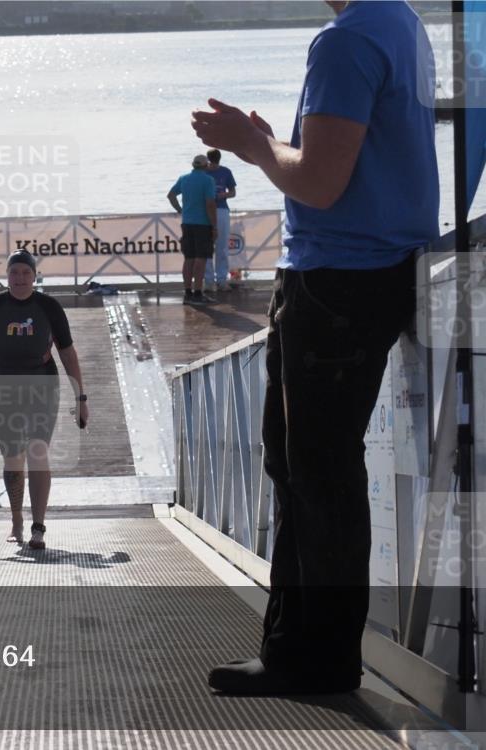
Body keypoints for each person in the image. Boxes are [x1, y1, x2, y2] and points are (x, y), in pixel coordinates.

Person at [191, 0, 438, 695]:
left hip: (338, 279)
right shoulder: (401, 22)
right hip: (373, 270)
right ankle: (300, 647)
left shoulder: (347, 40)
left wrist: (253, 146)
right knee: (305, 466)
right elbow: (349, 164)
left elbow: (321, 186)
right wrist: (275, 146)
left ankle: (316, 657)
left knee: (318, 474)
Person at [0, 250, 88, 550]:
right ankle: (16, 519)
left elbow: (68, 354)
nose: (19, 279)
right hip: (0, 387)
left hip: (41, 384)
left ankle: (38, 526)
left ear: (34, 276)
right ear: (7, 275)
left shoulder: (49, 307)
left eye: (25, 273)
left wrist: (81, 397)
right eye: (14, 273)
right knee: (13, 457)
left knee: (38, 451)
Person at [167, 154, 218, 304]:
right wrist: (214, 226)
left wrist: (180, 210)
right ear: (206, 165)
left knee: (188, 258)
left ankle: (188, 293)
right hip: (202, 224)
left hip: (187, 222)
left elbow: (171, 195)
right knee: (200, 259)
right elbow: (210, 204)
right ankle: (197, 293)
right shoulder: (208, 180)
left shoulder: (184, 178)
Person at [203, 149, 237, 291]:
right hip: (205, 211)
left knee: (222, 245)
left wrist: (224, 195)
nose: (214, 164)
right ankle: (209, 280)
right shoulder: (203, 173)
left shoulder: (226, 172)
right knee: (207, 246)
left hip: (222, 209)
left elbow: (233, 192)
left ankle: (221, 279)